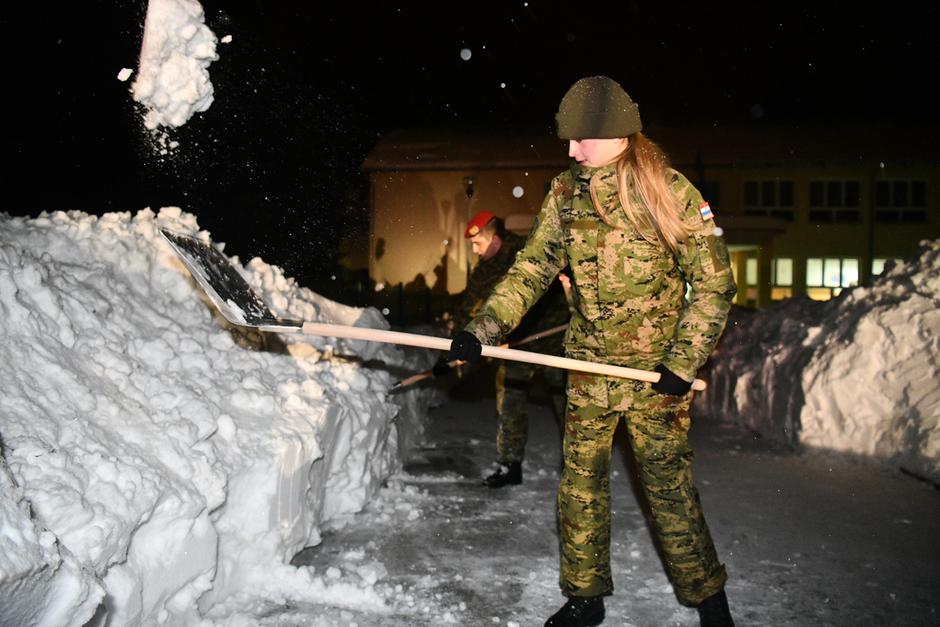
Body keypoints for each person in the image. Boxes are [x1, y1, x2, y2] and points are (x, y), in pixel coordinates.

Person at [447, 76, 737, 627]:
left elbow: (716, 285)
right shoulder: (565, 192)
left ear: (618, 135)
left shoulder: (669, 192)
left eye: (581, 139)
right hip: (587, 367)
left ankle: (708, 597)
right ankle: (585, 597)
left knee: (668, 488)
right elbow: (530, 269)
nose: (571, 150)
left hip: (656, 376)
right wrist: (483, 329)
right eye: (568, 139)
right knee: (579, 484)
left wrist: (682, 362)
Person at [443, 210, 570, 488]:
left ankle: (575, 464)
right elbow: (470, 305)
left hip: (552, 341)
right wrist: (457, 343)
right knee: (509, 400)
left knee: (567, 402)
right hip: (517, 345)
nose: (474, 250)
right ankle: (510, 464)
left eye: (478, 244)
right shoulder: (485, 268)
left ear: (496, 240)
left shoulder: (527, 253)